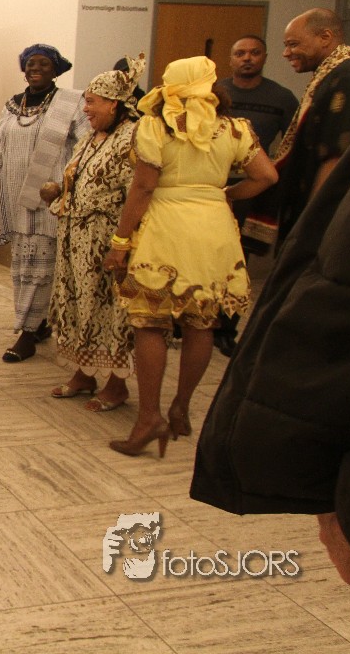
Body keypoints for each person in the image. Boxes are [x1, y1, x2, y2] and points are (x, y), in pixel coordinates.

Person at [191, 44, 350, 650]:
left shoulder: (340, 84)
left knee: (194, 320)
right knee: (203, 320)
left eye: (287, 44)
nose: (282, 53)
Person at [102, 56, 277, 458]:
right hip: (214, 232)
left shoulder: (156, 126)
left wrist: (120, 241)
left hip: (166, 229)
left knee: (150, 322)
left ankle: (149, 418)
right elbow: (267, 176)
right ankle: (180, 407)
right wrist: (225, 194)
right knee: (202, 322)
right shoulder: (235, 128)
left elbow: (144, 188)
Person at [41, 57, 143, 412]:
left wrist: (122, 245)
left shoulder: (133, 138)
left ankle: (117, 385)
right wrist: (60, 190)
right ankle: (84, 374)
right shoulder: (90, 137)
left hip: (107, 241)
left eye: (92, 102)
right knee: (79, 306)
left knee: (109, 310)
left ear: (113, 103)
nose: (85, 108)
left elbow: (137, 194)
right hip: (76, 242)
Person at [0, 43, 88, 362]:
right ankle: (39, 323)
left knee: (40, 269)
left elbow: (85, 147)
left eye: (44, 64)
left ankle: (27, 333)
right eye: (30, 63)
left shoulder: (70, 103)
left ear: (56, 69)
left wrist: (68, 186)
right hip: (17, 197)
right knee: (22, 267)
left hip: (49, 200)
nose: (36, 69)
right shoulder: (12, 105)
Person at [211, 34, 299, 354]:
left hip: (251, 190)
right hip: (210, 188)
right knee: (204, 255)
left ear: (264, 57)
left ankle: (226, 328)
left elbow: (292, 143)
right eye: (240, 53)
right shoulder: (214, 92)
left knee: (238, 261)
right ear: (230, 59)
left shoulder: (282, 97)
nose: (247, 58)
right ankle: (191, 321)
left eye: (254, 53)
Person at [267, 8, 350, 245]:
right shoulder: (329, 76)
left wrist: (312, 224)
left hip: (322, 221)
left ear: (325, 37)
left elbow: (336, 156)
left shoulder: (348, 78)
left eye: (293, 44)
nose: (286, 53)